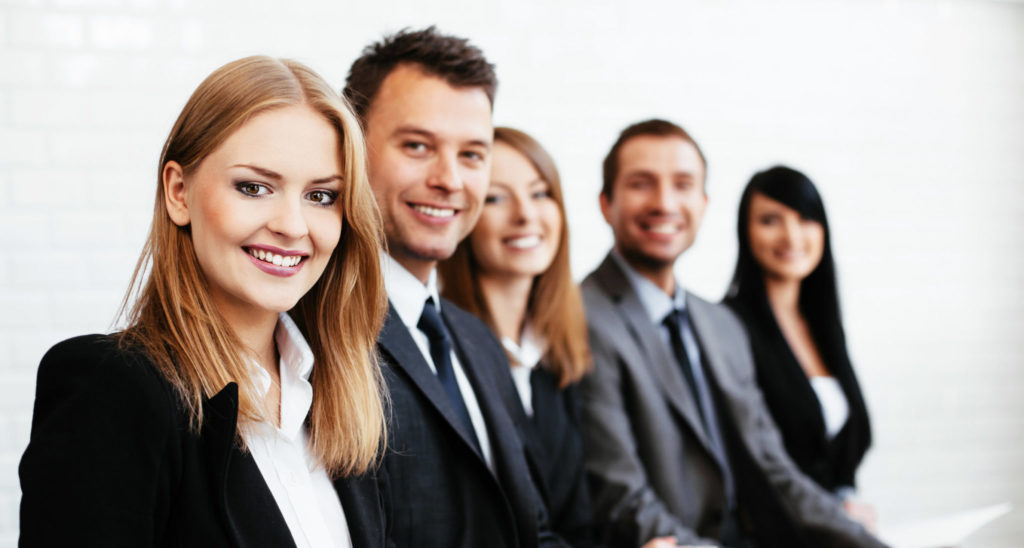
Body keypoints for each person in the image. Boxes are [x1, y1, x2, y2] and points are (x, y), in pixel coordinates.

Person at [19, 56, 389, 547]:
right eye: (254, 188)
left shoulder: (344, 399)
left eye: (321, 196)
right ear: (179, 192)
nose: (292, 226)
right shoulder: (114, 387)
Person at [579, 119, 885, 547]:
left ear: (704, 204)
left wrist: (865, 541)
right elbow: (621, 498)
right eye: (641, 184)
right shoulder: (580, 318)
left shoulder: (721, 325)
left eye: (683, 184)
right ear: (605, 202)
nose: (665, 202)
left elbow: (773, 467)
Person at [344, 28, 565, 547]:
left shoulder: (475, 340)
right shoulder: (318, 329)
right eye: (418, 146)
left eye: (472, 155)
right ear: (351, 142)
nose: (450, 180)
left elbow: (529, 532)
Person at [438, 127, 594, 546]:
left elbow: (578, 519)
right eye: (496, 198)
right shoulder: (441, 355)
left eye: (541, 193)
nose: (526, 215)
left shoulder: (559, 352)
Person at [724, 165, 875, 527]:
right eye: (770, 220)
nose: (791, 236)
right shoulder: (727, 326)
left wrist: (849, 507)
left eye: (805, 218)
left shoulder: (824, 328)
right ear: (745, 231)